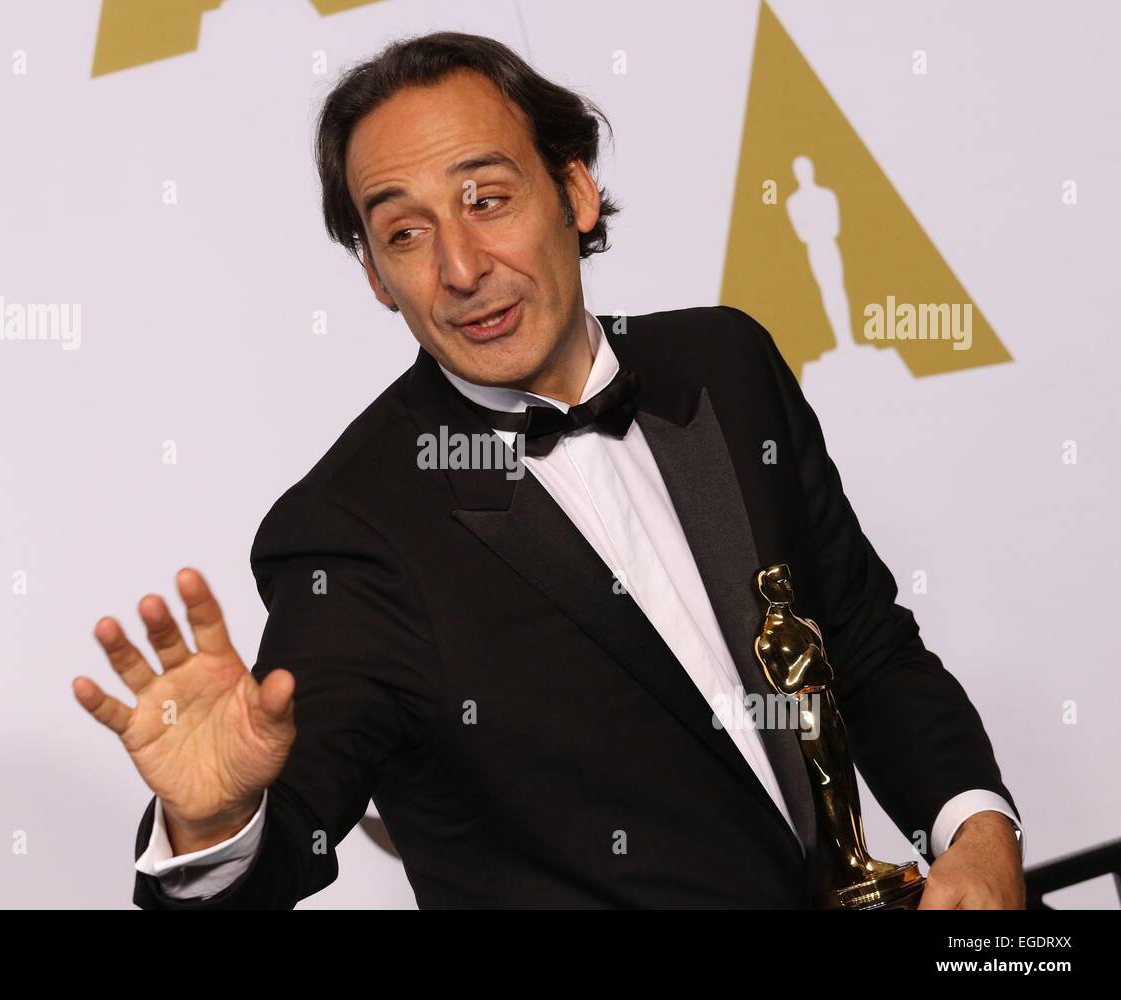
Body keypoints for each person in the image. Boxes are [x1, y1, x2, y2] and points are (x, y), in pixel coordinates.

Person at [71, 31, 1024, 909]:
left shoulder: (727, 368)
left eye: (487, 199)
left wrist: (975, 830)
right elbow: (291, 827)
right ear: (373, 275)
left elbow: (863, 643)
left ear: (574, 193)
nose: (460, 266)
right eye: (405, 233)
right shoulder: (355, 529)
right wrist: (212, 826)